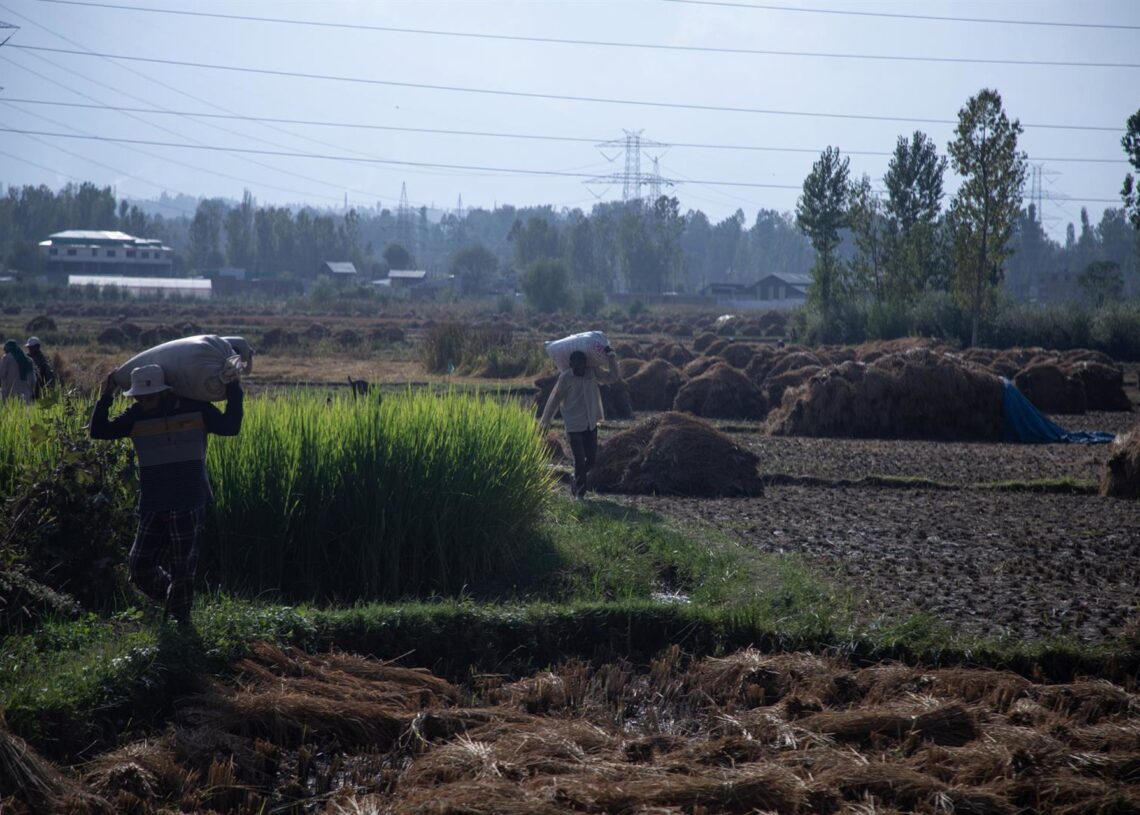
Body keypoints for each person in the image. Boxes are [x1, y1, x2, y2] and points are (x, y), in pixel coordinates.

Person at [90, 363, 243, 625]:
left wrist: (233, 387)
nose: (142, 400)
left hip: (189, 498)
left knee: (183, 568)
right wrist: (106, 395)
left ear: (163, 392)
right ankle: (171, 597)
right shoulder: (135, 415)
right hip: (153, 500)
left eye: (148, 396)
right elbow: (99, 430)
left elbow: (230, 426)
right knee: (139, 566)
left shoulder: (196, 408)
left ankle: (179, 621)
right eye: (138, 396)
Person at [540, 346, 622, 499]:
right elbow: (554, 400)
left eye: (583, 365)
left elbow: (612, 377)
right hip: (573, 423)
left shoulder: (592, 372)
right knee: (579, 458)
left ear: (586, 364)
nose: (581, 369)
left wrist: (611, 358)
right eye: (578, 366)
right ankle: (580, 494)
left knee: (591, 459)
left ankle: (574, 478)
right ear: (571, 365)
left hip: (591, 422)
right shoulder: (565, 378)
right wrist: (545, 422)